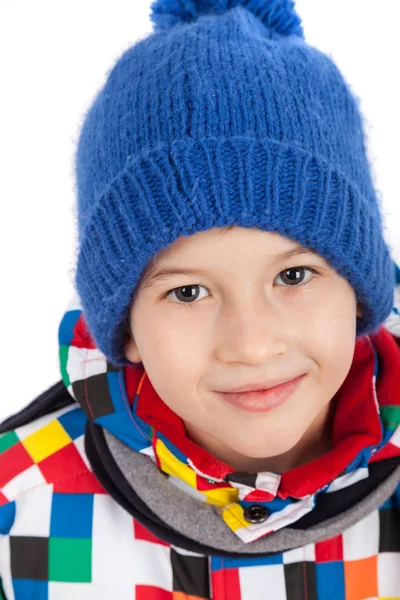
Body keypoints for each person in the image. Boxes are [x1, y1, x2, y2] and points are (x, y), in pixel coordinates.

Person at [1, 0, 400, 597]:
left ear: (359, 293)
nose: (252, 344)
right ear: (126, 327)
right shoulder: (19, 504)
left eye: (293, 277)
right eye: (189, 291)